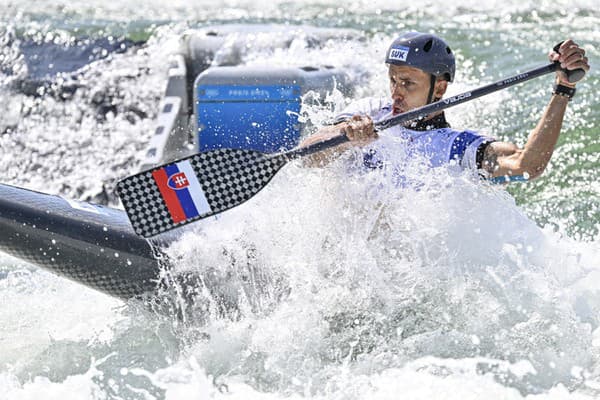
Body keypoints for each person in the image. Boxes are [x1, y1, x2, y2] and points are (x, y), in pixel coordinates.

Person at [300, 32, 590, 182]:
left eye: (407, 83)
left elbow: (526, 165)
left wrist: (563, 89)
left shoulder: (458, 149)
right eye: (392, 81)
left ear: (439, 88)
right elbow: (308, 155)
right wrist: (345, 136)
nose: (395, 94)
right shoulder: (370, 111)